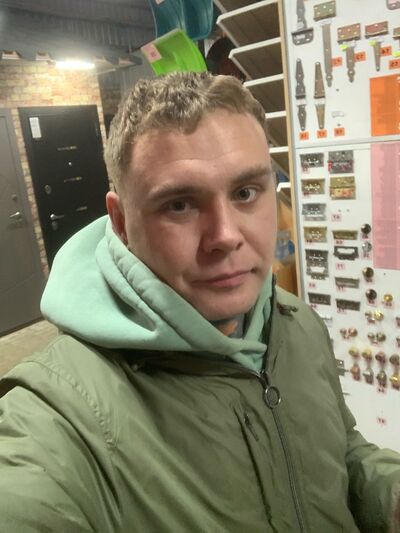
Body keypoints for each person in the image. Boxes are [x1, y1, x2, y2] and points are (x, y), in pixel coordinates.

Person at [0, 72, 399, 533]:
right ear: (121, 221)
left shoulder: (297, 324)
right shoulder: (61, 413)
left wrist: (390, 496)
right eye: (179, 205)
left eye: (246, 193)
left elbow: (341, 454)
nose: (225, 236)